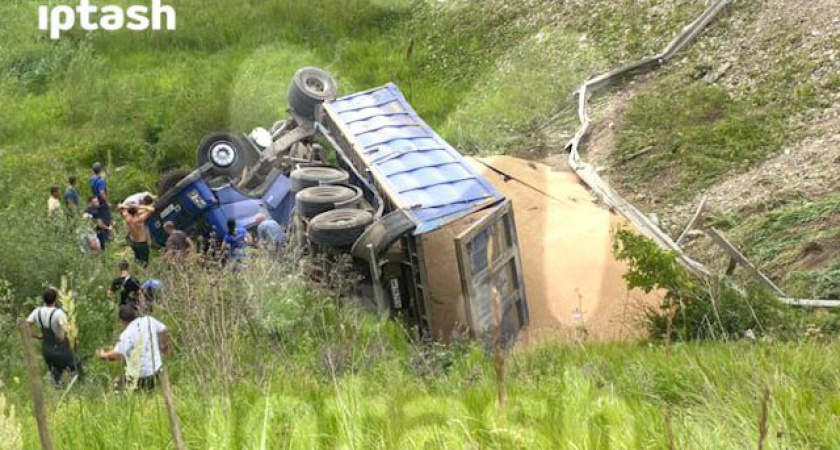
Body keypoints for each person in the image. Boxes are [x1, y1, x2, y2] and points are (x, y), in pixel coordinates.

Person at [96, 305, 170, 391]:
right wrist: (164, 346)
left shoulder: (126, 335)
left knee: (117, 386)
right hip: (157, 371)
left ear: (121, 321)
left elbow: (117, 355)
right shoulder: (149, 320)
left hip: (140, 376)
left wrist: (102, 355)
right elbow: (164, 329)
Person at [26, 288, 81, 388]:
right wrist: (75, 342)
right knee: (76, 368)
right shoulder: (58, 313)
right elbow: (68, 330)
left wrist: (36, 336)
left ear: (43, 299)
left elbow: (25, 325)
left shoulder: (37, 311)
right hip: (61, 349)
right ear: (56, 299)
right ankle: (78, 390)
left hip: (47, 350)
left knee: (56, 374)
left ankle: (58, 391)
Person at [119, 203, 155, 267]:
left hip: (134, 242)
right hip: (142, 243)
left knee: (137, 260)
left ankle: (137, 271)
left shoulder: (127, 217)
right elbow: (152, 209)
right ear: (136, 212)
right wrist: (141, 206)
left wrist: (129, 207)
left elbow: (120, 206)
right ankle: (143, 273)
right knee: (144, 262)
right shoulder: (139, 219)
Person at [89, 162, 112, 250]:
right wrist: (107, 202)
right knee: (106, 219)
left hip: (96, 202)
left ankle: (100, 238)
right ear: (101, 170)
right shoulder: (101, 180)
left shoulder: (92, 179)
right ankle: (105, 240)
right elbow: (102, 192)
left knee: (98, 219)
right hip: (102, 203)